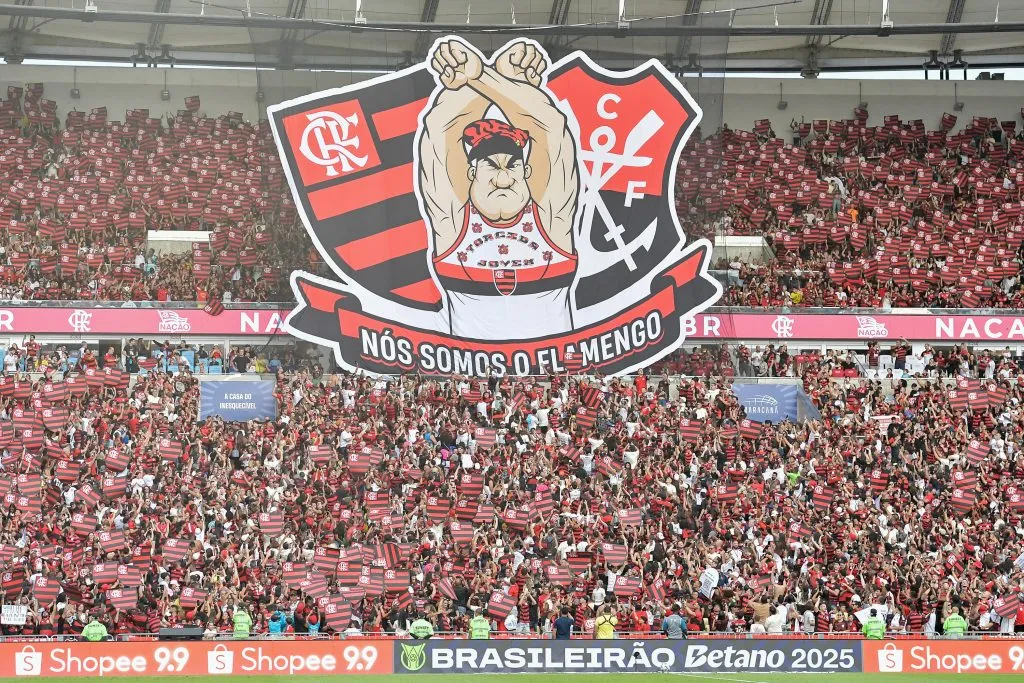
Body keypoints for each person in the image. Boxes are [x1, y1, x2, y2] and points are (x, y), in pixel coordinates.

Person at [421, 38, 579, 340]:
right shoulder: (452, 223)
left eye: (512, 166)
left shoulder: (551, 220)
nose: (503, 178)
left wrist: (481, 76)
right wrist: (501, 77)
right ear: (471, 172)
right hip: (470, 379)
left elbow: (551, 127)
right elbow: (440, 128)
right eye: (491, 166)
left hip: (546, 378)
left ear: (527, 171)